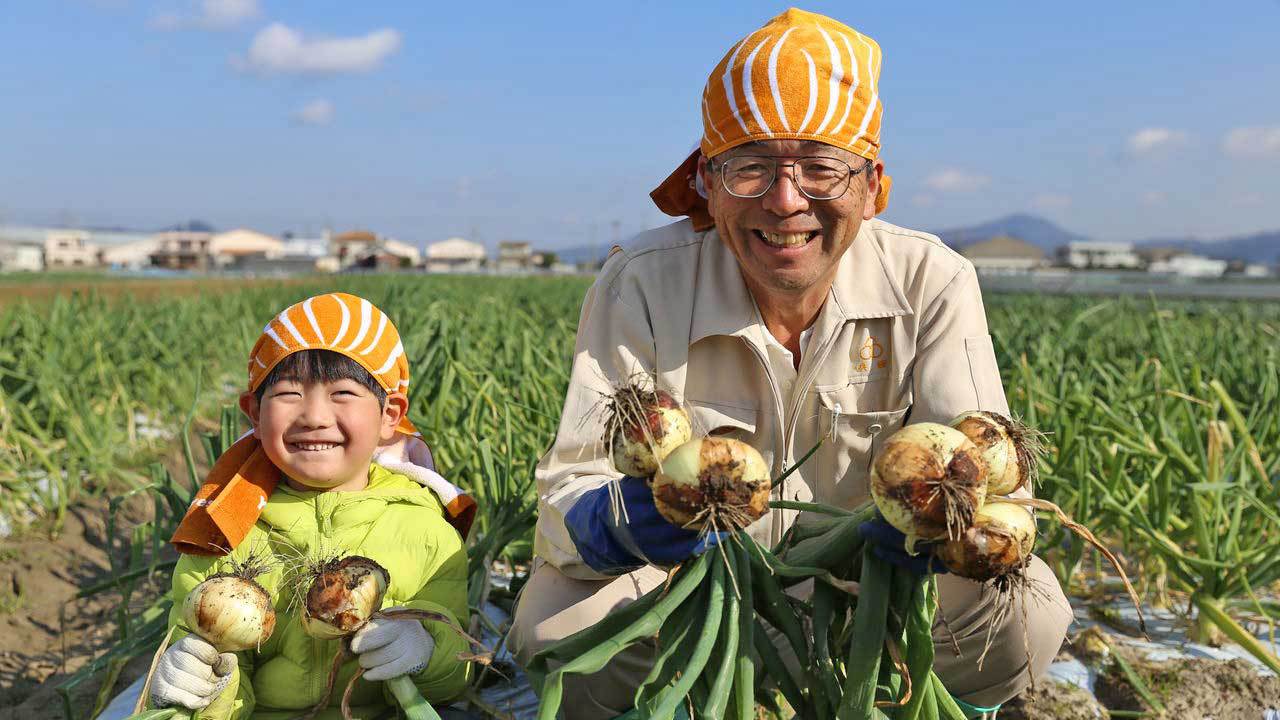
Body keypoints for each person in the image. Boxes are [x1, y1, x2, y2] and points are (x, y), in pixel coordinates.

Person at [509, 8, 1072, 719]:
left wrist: (929, 532)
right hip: (693, 601)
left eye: (820, 167)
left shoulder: (934, 279)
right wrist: (616, 520)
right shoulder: (644, 282)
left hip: (867, 596)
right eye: (750, 168)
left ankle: (881, 690)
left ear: (871, 185)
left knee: (1032, 615)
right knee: (557, 625)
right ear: (707, 185)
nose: (784, 201)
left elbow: (989, 472)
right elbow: (570, 483)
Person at [148, 292, 475, 719]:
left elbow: (456, 674)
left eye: (342, 392)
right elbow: (208, 651)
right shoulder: (225, 531)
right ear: (254, 413)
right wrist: (202, 680)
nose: (314, 416)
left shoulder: (426, 531)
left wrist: (426, 651)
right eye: (288, 393)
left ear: (389, 415)